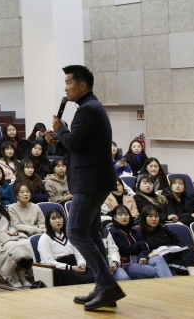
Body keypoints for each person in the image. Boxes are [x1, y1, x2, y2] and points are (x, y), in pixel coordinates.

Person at [52, 65, 123, 310]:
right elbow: (80, 145)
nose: (65, 88)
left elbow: (74, 142)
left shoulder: (87, 110)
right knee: (91, 232)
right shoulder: (91, 107)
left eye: (68, 82)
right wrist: (60, 138)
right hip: (96, 179)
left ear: (82, 85)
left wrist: (60, 129)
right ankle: (104, 286)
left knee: (75, 231)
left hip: (90, 181)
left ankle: (108, 285)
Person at [108, 205, 173, 280]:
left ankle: (171, 284)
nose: (124, 217)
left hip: (141, 259)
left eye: (126, 214)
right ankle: (167, 284)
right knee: (154, 271)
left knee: (159, 259)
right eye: (120, 215)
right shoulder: (113, 232)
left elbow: (145, 248)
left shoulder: (134, 231)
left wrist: (142, 256)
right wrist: (140, 245)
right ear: (115, 218)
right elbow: (125, 249)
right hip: (128, 264)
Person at [38, 209, 96, 286]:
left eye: (59, 217)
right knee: (82, 280)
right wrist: (70, 268)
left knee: (96, 277)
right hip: (59, 269)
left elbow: (78, 253)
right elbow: (49, 262)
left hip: (74, 265)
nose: (58, 221)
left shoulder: (70, 236)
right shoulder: (45, 238)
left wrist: (82, 265)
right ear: (48, 222)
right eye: (53, 218)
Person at [137, 206, 194, 276]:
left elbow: (176, 241)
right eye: (150, 216)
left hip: (173, 253)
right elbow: (141, 249)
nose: (154, 219)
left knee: (190, 251)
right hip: (161, 257)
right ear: (144, 218)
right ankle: (193, 277)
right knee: (185, 267)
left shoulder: (163, 229)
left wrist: (188, 247)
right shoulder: (140, 233)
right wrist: (147, 255)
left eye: (156, 216)